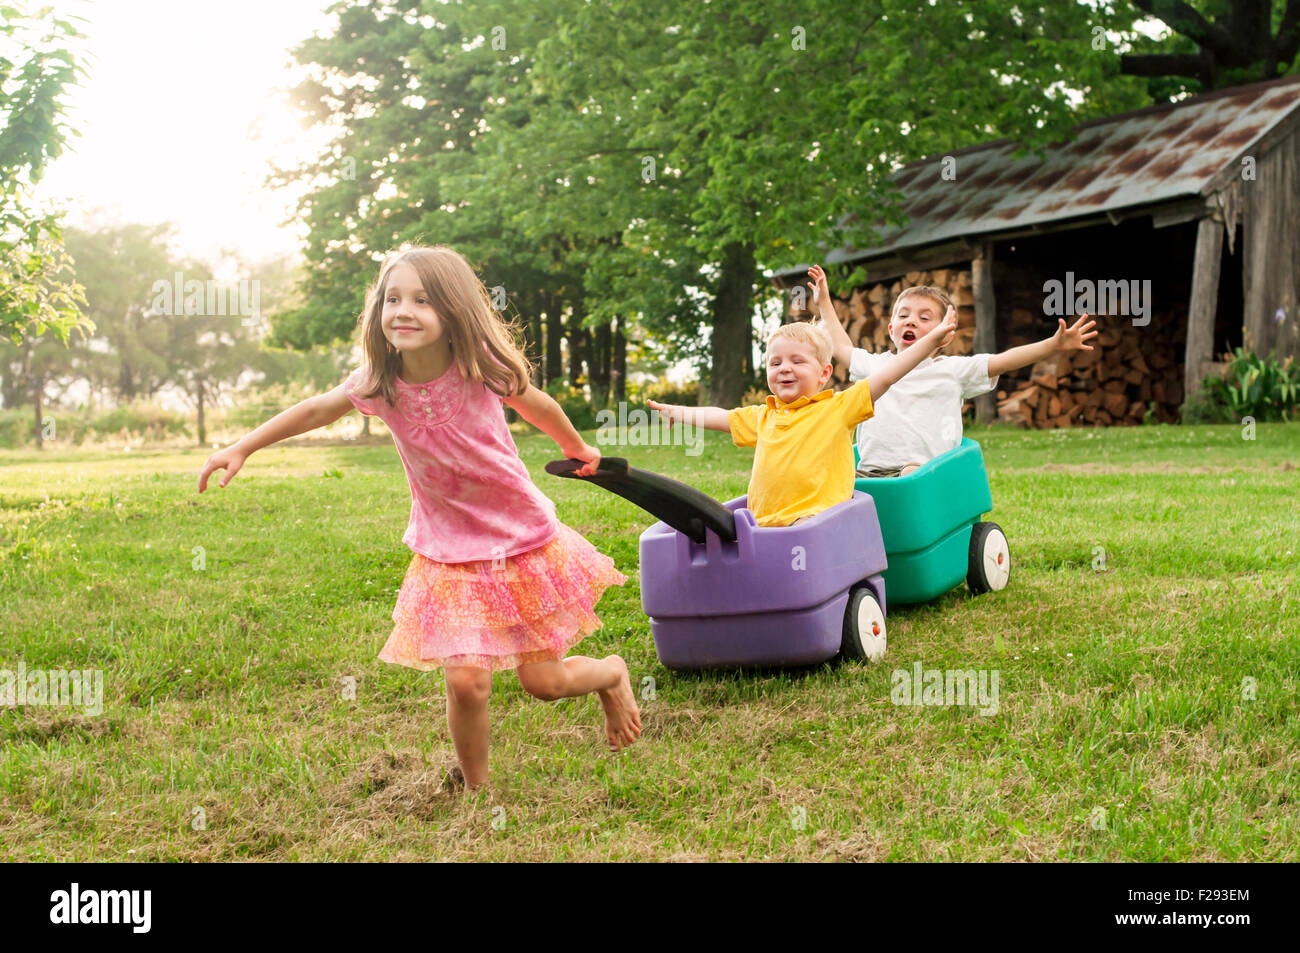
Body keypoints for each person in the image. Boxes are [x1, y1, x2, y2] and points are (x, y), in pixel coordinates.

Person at [197, 245, 640, 790]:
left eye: (422, 300)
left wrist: (578, 450)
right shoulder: (380, 384)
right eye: (393, 298)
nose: (403, 311)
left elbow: (537, 405)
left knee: (544, 683)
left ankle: (611, 673)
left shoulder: (481, 367)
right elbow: (315, 409)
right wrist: (243, 447)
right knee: (467, 682)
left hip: (516, 539)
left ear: (453, 311)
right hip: (447, 549)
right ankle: (478, 790)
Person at [648, 309, 955, 527]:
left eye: (797, 361)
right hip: (763, 524)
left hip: (817, 522)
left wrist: (930, 342)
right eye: (775, 362)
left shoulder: (838, 408)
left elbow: (887, 377)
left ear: (824, 373)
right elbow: (722, 417)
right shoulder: (764, 416)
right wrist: (679, 412)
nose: (784, 368)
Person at [808, 264, 1098, 476]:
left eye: (924, 318)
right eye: (904, 315)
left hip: (923, 474)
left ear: (945, 335)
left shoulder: (954, 370)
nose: (911, 322)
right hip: (867, 472)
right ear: (891, 328)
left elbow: (1005, 360)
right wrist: (824, 302)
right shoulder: (875, 365)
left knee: (910, 475)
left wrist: (1052, 345)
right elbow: (841, 347)